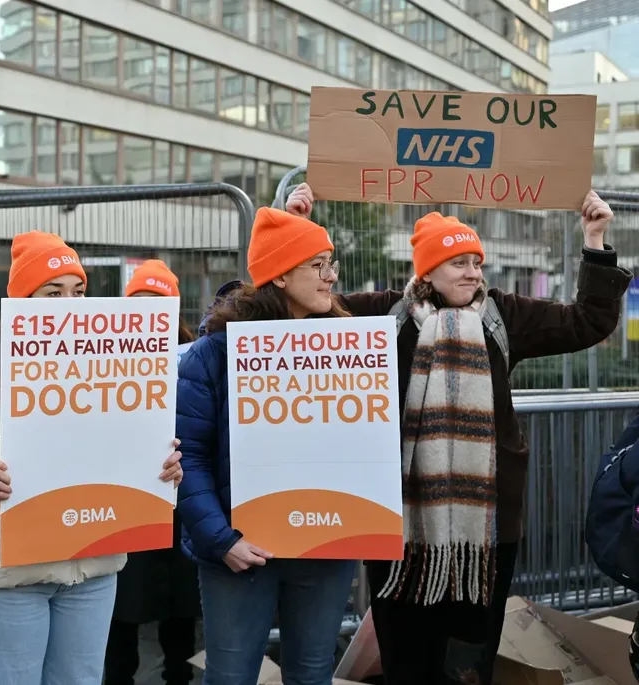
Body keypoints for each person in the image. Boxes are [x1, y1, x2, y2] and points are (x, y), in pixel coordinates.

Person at [285, 183, 631, 684]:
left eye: (477, 262)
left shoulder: (502, 315)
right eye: (458, 263)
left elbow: (587, 322)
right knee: (407, 660)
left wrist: (595, 239)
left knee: (468, 664)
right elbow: (296, 317)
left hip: (485, 529)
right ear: (427, 270)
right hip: (400, 524)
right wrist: (294, 229)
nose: (472, 273)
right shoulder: (382, 317)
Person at [0, 231, 185, 685]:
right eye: (53, 293)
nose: (69, 304)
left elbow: (124, 464)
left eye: (78, 291)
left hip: (92, 575)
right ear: (23, 301)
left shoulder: (115, 377)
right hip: (10, 581)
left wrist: (163, 474)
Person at [175, 208, 357, 685]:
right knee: (231, 675)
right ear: (279, 275)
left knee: (313, 674)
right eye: (317, 264)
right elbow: (187, 456)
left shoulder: (350, 347)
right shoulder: (213, 352)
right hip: (238, 551)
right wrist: (221, 542)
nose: (331, 276)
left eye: (331, 263)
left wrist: (361, 524)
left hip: (324, 548)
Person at [104, 259, 200, 685]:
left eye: (158, 304)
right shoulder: (104, 359)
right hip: (124, 501)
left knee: (180, 607)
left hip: (181, 499)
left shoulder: (195, 358)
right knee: (120, 606)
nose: (147, 315)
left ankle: (178, 675)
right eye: (139, 303)